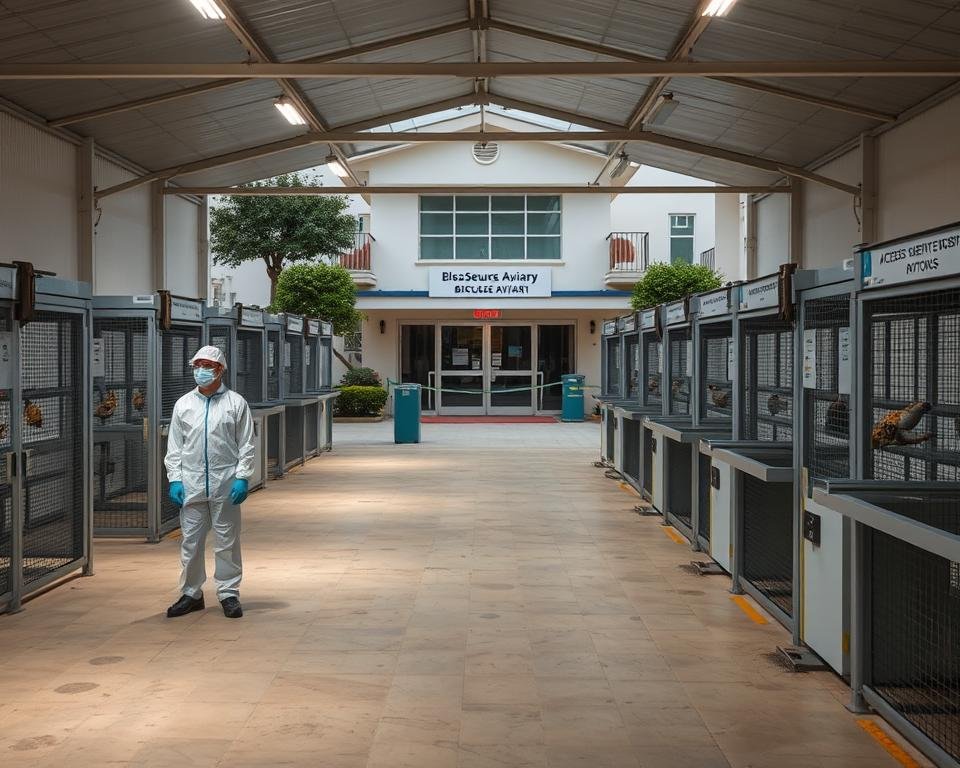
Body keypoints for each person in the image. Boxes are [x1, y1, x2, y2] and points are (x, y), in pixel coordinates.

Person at [164, 345, 255, 619]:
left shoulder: (236, 403)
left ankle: (229, 593)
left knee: (227, 541)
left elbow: (246, 445)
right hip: (191, 483)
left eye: (207, 366)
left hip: (225, 482)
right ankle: (191, 593)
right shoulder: (184, 404)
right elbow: (175, 447)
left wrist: (242, 477)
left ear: (220, 369)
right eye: (197, 365)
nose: (201, 370)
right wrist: (175, 479)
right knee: (190, 542)